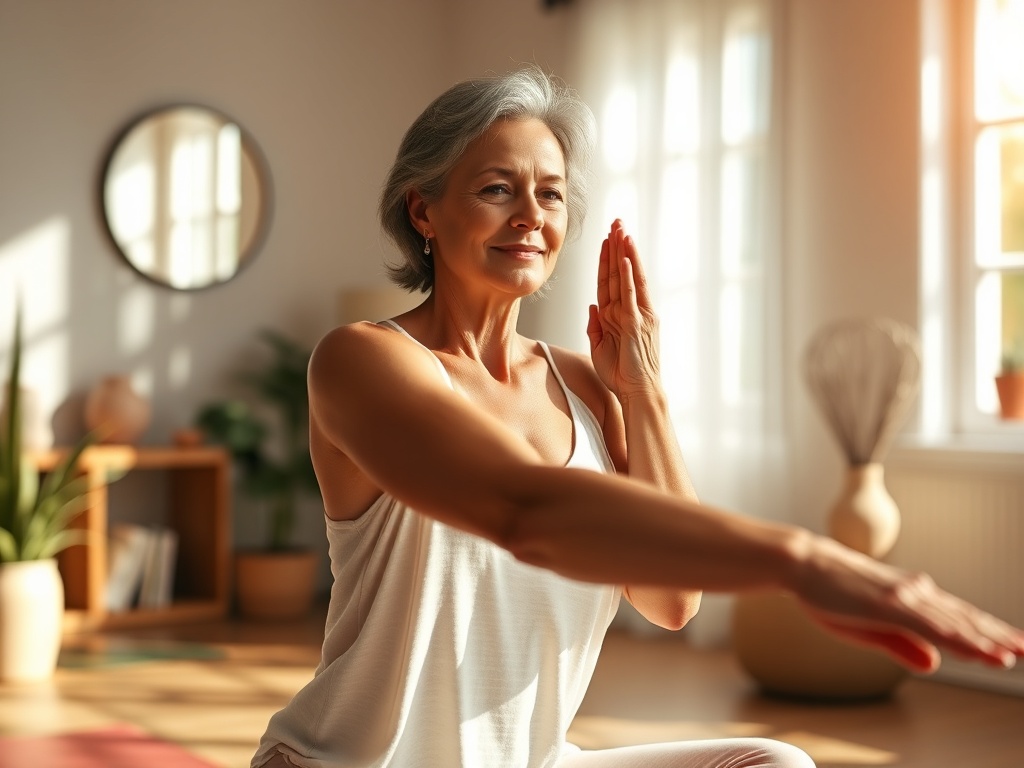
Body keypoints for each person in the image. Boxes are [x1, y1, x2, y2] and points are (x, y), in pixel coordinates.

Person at [251, 66, 1024, 768]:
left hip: (534, 760)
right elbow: (525, 509)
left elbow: (670, 601)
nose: (530, 215)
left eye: (549, 193)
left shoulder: (585, 385)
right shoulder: (363, 362)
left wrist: (642, 392)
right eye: (496, 188)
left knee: (772, 766)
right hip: (352, 763)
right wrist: (804, 560)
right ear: (424, 209)